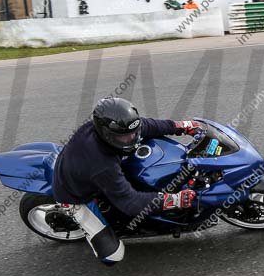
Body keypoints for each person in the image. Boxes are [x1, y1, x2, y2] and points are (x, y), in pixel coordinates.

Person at [52, 97, 201, 265]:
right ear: (106, 134)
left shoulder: (112, 129)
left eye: (134, 132)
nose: (132, 138)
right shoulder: (102, 164)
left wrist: (181, 126)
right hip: (75, 195)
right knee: (113, 256)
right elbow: (131, 203)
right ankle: (76, 213)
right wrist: (174, 199)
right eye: (125, 137)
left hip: (83, 167)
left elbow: (146, 125)